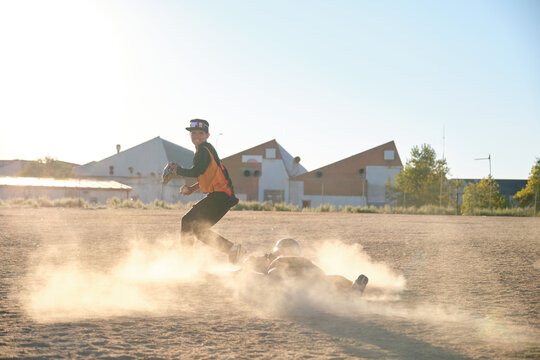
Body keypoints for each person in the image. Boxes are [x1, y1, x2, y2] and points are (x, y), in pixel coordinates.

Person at [162, 119, 243, 263]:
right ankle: (233, 249)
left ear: (207, 135)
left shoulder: (204, 150)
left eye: (201, 133)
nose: (196, 136)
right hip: (221, 196)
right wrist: (192, 189)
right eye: (193, 133)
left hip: (221, 197)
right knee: (197, 229)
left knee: (188, 222)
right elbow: (206, 175)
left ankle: (186, 261)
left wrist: (177, 170)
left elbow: (196, 171)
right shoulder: (205, 150)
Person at [240, 238, 369, 294]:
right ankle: (352, 290)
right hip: (301, 277)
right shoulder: (298, 261)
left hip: (291, 277)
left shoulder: (274, 260)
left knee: (324, 280)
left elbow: (247, 265)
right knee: (325, 280)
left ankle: (351, 290)